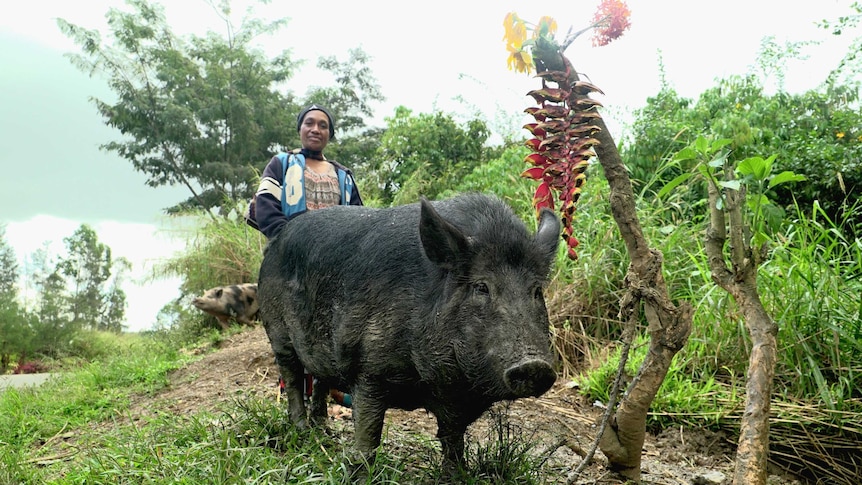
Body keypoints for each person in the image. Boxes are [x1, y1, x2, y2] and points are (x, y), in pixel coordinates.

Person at [251, 104, 361, 410]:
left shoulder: (343, 175)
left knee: (331, 331)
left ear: (330, 134)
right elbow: (265, 206)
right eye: (309, 123)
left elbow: (359, 221)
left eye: (323, 125)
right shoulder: (282, 164)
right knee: (294, 332)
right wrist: (290, 243)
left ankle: (322, 402)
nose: (316, 129)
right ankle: (296, 402)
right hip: (292, 266)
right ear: (300, 129)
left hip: (335, 269)